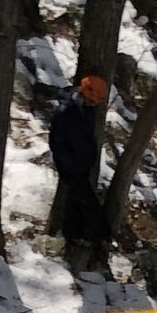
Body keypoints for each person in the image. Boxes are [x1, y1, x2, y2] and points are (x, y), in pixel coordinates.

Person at [47, 72, 110, 271]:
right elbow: (56, 142)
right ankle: (101, 233)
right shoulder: (65, 111)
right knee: (85, 199)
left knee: (75, 198)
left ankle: (73, 233)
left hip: (81, 163)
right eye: (91, 101)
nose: (93, 105)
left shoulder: (84, 109)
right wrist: (71, 162)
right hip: (70, 164)